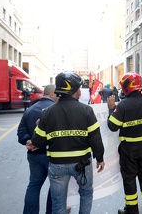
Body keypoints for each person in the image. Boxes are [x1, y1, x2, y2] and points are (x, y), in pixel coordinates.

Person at [30, 71, 105, 214]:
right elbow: (95, 138)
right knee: (86, 194)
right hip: (82, 164)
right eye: (78, 88)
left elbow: (37, 141)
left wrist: (39, 125)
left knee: (58, 203)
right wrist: (100, 158)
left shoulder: (47, 112)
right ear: (73, 90)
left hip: (57, 165)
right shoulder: (87, 110)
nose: (79, 91)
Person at [108, 72, 142, 214]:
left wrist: (111, 109)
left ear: (126, 87)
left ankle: (132, 210)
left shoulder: (123, 105)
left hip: (128, 149)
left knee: (130, 179)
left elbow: (112, 126)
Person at [17, 84, 58, 214]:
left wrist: (28, 141)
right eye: (57, 94)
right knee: (55, 187)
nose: (59, 97)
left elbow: (21, 131)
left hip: (34, 155)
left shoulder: (30, 110)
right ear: (51, 94)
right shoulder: (55, 110)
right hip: (51, 155)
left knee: (34, 185)